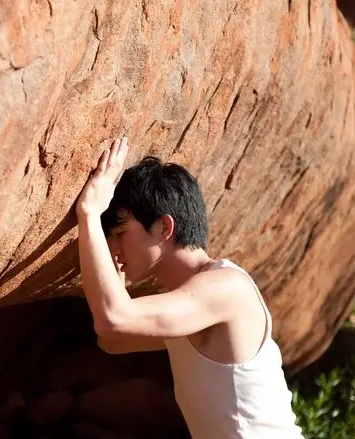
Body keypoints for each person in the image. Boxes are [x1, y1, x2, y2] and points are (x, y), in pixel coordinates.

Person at [75, 137, 304, 438]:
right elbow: (112, 339)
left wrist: (89, 212)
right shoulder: (191, 305)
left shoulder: (226, 288)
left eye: (121, 233)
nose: (113, 248)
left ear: (164, 227)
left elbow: (114, 320)